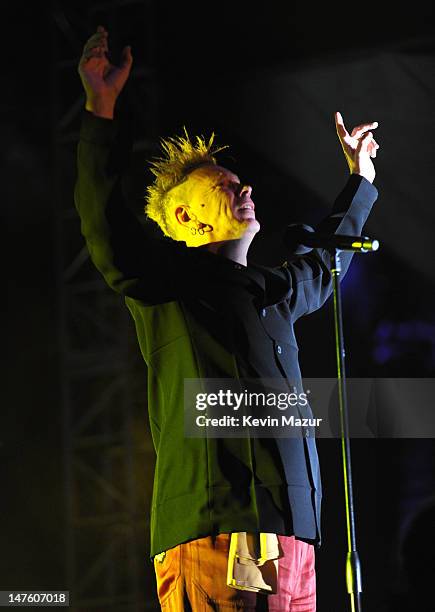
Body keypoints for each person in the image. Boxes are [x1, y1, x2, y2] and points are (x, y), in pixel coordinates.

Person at [75, 25, 380, 612]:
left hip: (297, 538)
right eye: (227, 185)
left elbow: (323, 260)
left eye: (241, 182)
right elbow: (106, 227)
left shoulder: (274, 290)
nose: (245, 189)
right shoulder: (168, 287)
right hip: (218, 533)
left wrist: (360, 178)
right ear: (187, 216)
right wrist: (101, 110)